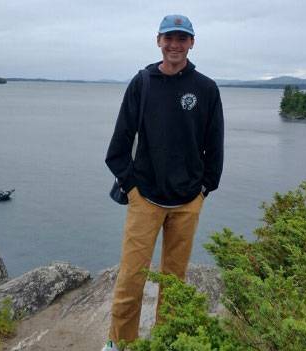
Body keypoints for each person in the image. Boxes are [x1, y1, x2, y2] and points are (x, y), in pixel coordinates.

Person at [103, 14, 224, 351]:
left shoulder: (206, 89)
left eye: (181, 38)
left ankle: (166, 341)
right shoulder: (142, 83)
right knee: (131, 277)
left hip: (187, 202)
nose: (175, 45)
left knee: (175, 281)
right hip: (147, 199)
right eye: (169, 38)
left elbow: (215, 147)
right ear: (158, 40)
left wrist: (204, 189)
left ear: (191, 43)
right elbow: (117, 148)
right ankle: (120, 344)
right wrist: (132, 188)